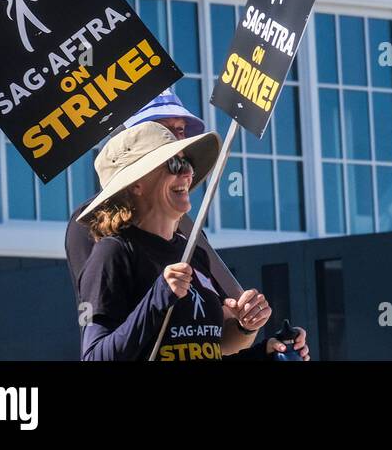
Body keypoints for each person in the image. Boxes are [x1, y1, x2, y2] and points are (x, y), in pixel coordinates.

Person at [76, 121, 308, 361]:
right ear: (137, 183)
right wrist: (158, 298)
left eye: (187, 163)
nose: (188, 173)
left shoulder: (193, 252)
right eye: (175, 164)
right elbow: (94, 357)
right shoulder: (113, 253)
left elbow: (209, 351)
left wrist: (264, 349)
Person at [64, 88, 241, 299]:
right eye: (160, 129)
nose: (174, 139)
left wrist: (244, 325)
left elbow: (214, 318)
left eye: (181, 129)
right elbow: (100, 314)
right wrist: (160, 299)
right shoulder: (91, 221)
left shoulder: (187, 227)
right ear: (128, 140)